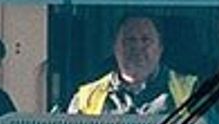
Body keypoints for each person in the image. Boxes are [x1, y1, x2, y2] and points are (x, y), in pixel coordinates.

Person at [68, 14, 198, 115]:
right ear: (115, 47)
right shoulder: (85, 98)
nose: (137, 47)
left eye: (145, 40)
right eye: (129, 40)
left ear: (160, 48)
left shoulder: (192, 91)